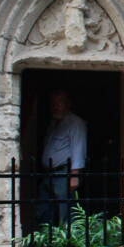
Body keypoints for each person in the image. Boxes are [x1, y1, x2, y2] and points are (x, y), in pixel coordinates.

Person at [37, 90, 87, 226]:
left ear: (68, 104)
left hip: (63, 173)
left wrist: (74, 175)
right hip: (49, 173)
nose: (56, 106)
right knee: (45, 210)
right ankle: (47, 240)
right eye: (53, 103)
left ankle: (68, 242)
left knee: (66, 212)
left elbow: (78, 148)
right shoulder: (54, 122)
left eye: (60, 102)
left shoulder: (75, 122)